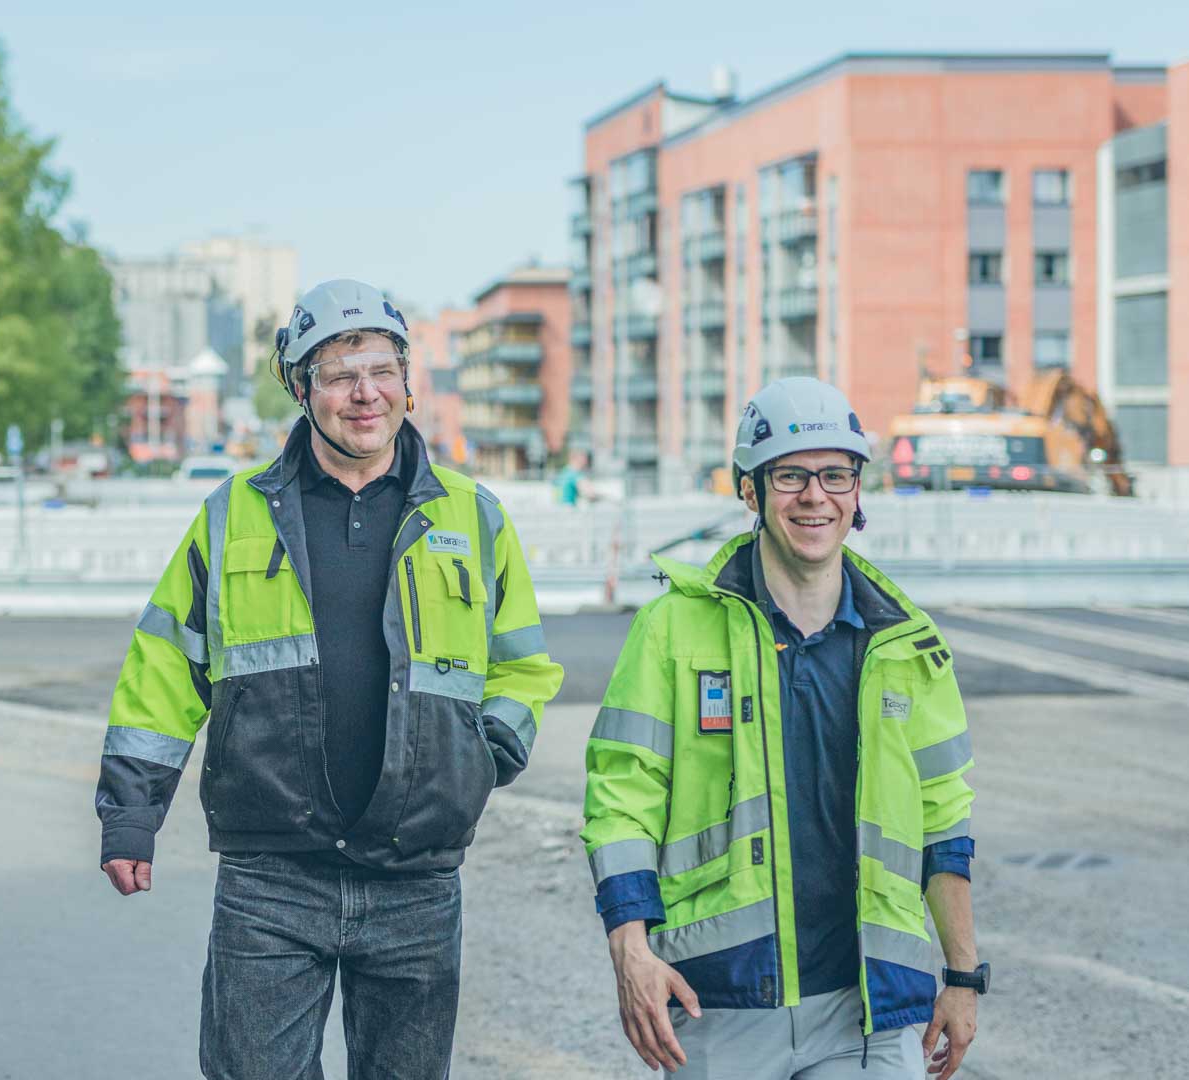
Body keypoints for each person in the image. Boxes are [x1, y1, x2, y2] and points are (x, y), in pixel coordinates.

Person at [94, 278, 564, 1079]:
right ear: (301, 388)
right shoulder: (233, 512)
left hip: (415, 874)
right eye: (340, 375)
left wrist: (481, 758)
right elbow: (167, 664)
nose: (364, 394)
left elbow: (521, 663)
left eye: (381, 370)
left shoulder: (473, 514)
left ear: (408, 382)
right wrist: (131, 814)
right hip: (271, 875)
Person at [581, 377, 983, 1079]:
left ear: (857, 491)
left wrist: (961, 974)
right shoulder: (673, 629)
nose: (814, 496)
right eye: (790, 475)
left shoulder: (907, 644)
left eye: (835, 475)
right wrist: (630, 948)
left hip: (869, 1006)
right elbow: (622, 800)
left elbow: (943, 820)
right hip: (722, 998)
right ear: (751, 491)